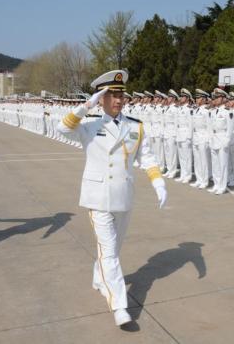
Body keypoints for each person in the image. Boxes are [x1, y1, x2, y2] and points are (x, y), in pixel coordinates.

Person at [57, 70, 168, 327]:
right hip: (98, 197)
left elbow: (146, 157)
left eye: (121, 94)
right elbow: (62, 128)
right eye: (111, 95)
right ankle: (119, 305)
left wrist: (158, 181)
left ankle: (99, 277)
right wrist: (87, 106)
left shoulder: (135, 126)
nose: (118, 99)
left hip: (124, 195)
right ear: (102, 98)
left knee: (113, 248)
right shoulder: (89, 126)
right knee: (109, 252)